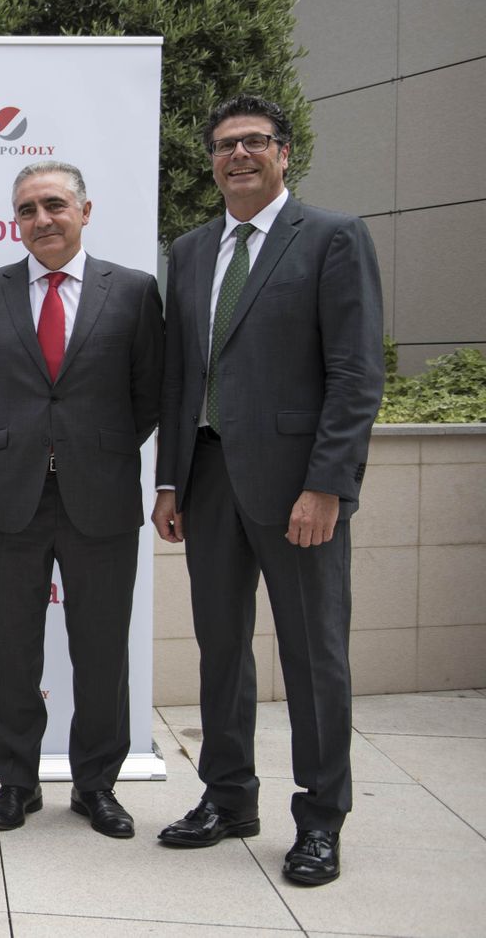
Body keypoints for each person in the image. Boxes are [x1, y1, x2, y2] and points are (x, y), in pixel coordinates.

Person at [153, 96, 383, 885]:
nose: (238, 155)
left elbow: (356, 375)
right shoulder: (188, 251)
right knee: (221, 650)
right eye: (224, 145)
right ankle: (228, 797)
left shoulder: (332, 238)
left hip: (298, 491)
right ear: (210, 160)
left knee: (313, 655)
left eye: (254, 142)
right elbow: (181, 374)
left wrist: (328, 485)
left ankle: (321, 820)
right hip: (208, 478)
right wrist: (170, 478)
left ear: (285, 154)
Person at [0, 160, 163, 838]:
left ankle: (97, 786)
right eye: (27, 210)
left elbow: (148, 394)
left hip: (99, 494)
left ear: (84, 211)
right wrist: (22, 444)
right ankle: (16, 784)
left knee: (101, 649)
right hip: (10, 494)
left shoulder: (132, 291)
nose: (41, 219)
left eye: (53, 205)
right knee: (9, 649)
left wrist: (87, 447)